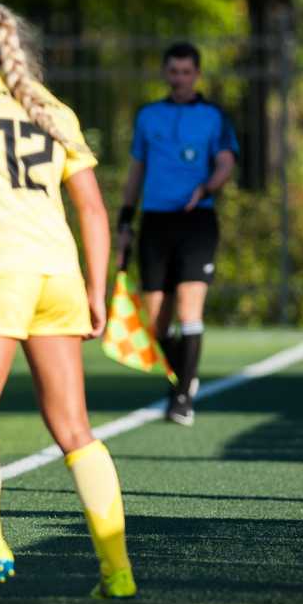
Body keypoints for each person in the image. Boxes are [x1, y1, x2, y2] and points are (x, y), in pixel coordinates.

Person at [0, 0, 137, 601]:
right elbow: (91, 207)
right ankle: (116, 571)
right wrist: (98, 289)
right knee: (74, 428)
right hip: (58, 270)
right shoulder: (52, 106)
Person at [117, 41, 238, 426]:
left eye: (187, 72)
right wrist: (125, 220)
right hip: (154, 221)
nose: (180, 79)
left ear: (197, 74)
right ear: (166, 74)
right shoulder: (148, 116)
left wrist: (206, 188)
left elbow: (225, 163)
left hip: (196, 222)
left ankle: (182, 396)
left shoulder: (214, 116)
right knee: (156, 323)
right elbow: (137, 171)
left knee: (189, 309)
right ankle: (185, 374)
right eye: (174, 72)